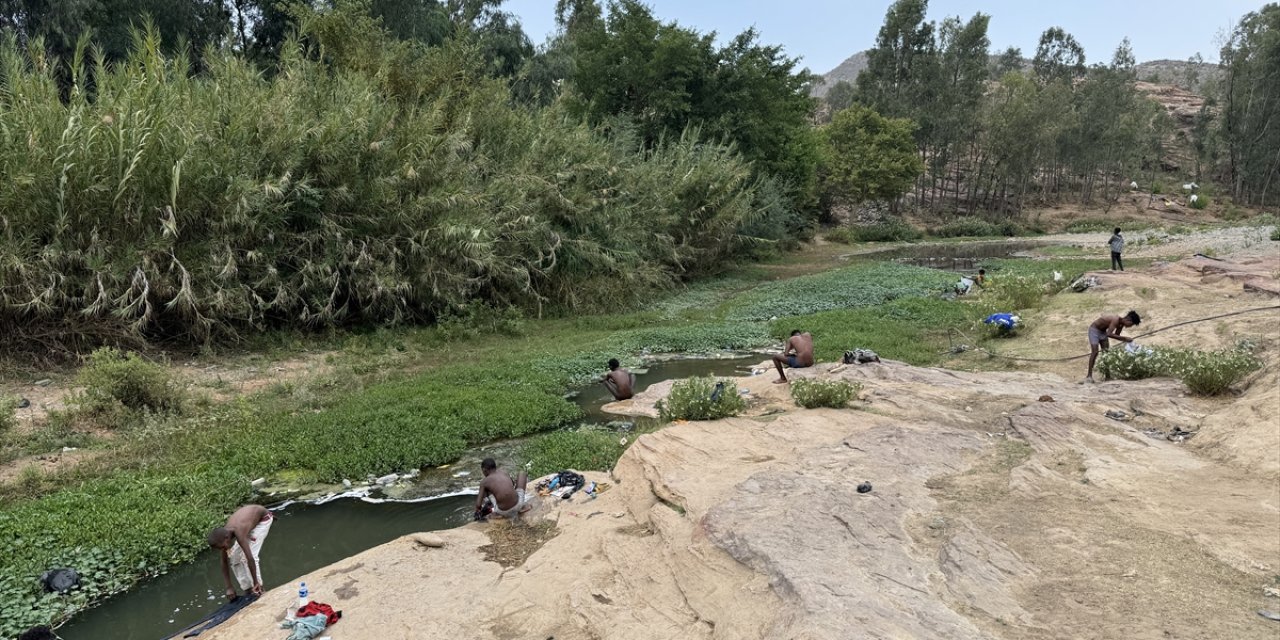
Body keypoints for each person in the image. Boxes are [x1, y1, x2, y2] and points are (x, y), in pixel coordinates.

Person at [207, 505, 272, 601]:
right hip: (249, 522)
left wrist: (255, 581)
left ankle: (259, 588)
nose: (223, 549)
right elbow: (224, 562)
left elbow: (250, 558)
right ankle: (248, 589)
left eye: (222, 547)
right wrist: (229, 587)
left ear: (227, 538)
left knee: (245, 558)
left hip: (262, 520)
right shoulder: (223, 536)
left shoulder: (238, 532)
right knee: (234, 558)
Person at [1085, 310, 1142, 383]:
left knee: (1106, 353)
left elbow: (1116, 336)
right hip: (1094, 330)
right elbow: (1109, 334)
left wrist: (1127, 340)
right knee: (1095, 352)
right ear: (1128, 320)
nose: (1130, 326)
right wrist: (1125, 338)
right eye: (1131, 324)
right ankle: (1089, 376)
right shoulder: (1115, 319)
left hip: (1103, 333)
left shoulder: (1121, 325)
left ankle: (1107, 376)